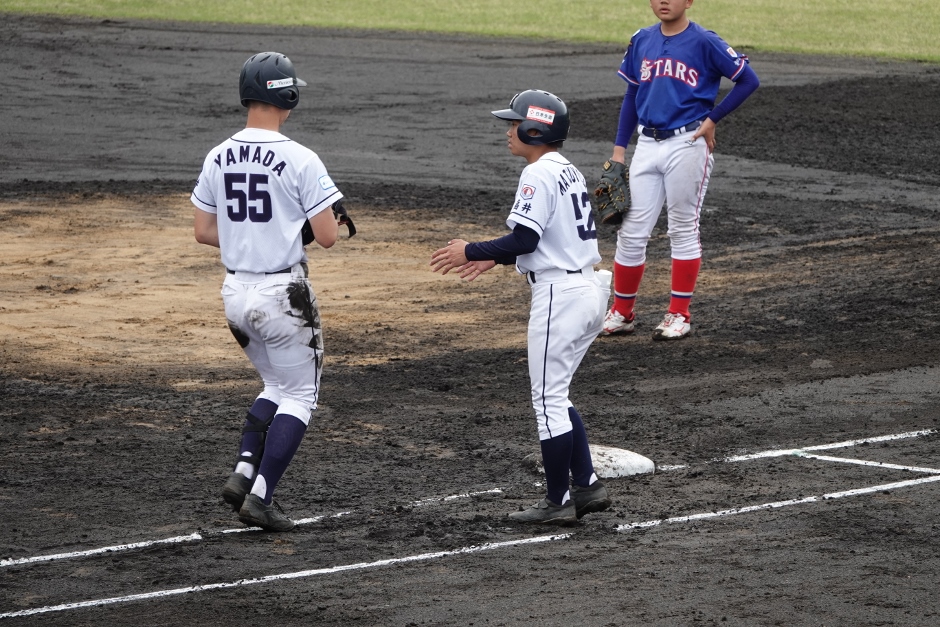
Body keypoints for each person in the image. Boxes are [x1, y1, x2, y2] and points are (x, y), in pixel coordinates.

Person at [430, 90, 612, 525]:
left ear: (535, 129)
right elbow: (545, 239)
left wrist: (471, 249)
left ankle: (557, 501)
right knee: (556, 394)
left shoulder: (537, 173)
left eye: (514, 124)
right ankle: (587, 485)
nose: (509, 131)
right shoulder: (566, 169)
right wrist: (495, 258)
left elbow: (526, 238)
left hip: (559, 296)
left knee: (547, 400)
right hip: (588, 289)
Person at [191, 51, 346, 531]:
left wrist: (257, 236)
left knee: (275, 386)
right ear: (288, 96)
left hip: (235, 295)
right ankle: (260, 497)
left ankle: (243, 471)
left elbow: (204, 231)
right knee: (300, 395)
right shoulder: (301, 157)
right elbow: (327, 236)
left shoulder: (217, 155)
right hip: (284, 296)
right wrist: (298, 228)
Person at [600, 0, 760, 340]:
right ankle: (623, 313)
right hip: (646, 144)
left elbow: (748, 80)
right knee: (631, 231)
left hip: (687, 143)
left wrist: (713, 118)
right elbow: (632, 94)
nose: (664, 1)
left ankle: (679, 315)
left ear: (688, 1)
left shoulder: (705, 41)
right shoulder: (641, 39)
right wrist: (619, 150)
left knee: (683, 228)